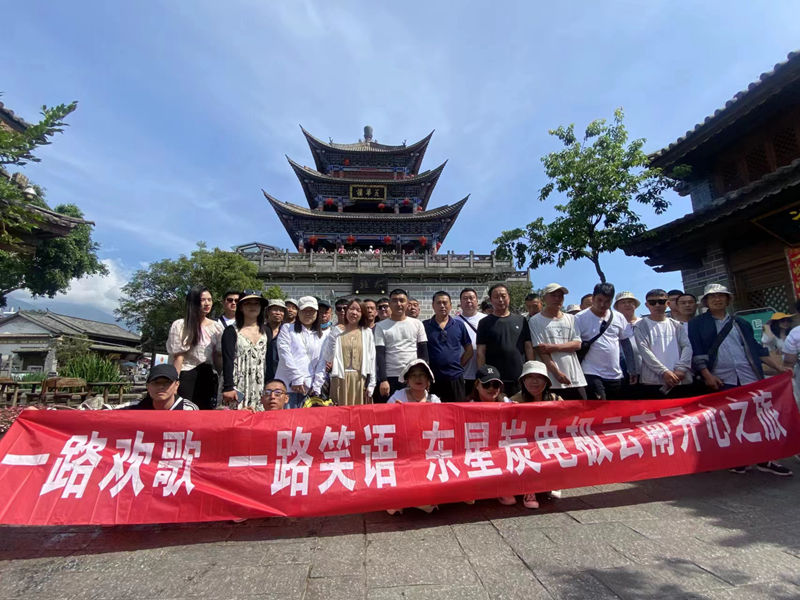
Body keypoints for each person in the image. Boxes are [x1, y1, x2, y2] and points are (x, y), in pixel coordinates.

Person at [688, 283, 791, 476]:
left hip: (748, 375)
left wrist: (779, 369)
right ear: (706, 302)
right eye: (712, 297)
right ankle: (739, 459)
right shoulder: (697, 324)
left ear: (728, 299)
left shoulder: (741, 322)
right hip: (721, 378)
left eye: (721, 295)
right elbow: (697, 352)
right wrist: (707, 375)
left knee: (759, 417)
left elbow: (756, 349)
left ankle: (766, 459)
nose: (717, 299)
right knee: (731, 421)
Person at [508, 360, 563, 508]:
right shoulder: (513, 401)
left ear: (546, 381)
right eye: (530, 377)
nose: (534, 381)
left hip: (547, 442)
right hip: (523, 444)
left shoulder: (555, 399)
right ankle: (529, 489)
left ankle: (553, 481)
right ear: (523, 381)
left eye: (539, 377)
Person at [574, 283, 636, 400]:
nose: (603, 304)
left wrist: (632, 369)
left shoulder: (619, 317)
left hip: (615, 374)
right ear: (593, 298)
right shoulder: (579, 318)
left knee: (614, 408)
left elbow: (626, 343)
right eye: (599, 300)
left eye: (607, 301)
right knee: (598, 406)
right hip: (591, 372)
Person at [167, 285, 224, 410]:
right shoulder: (180, 325)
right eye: (202, 300)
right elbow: (178, 357)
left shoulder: (216, 327)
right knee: (185, 411)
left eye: (209, 300)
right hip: (186, 374)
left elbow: (218, 356)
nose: (207, 303)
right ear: (193, 302)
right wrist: (174, 383)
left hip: (207, 375)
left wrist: (223, 379)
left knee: (204, 413)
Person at [529, 283, 587, 400]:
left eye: (560, 296)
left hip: (574, 377)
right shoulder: (535, 321)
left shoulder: (571, 319)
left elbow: (577, 344)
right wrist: (557, 373)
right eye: (553, 295)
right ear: (544, 298)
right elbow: (541, 350)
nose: (557, 299)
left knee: (581, 408)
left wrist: (554, 347)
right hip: (550, 379)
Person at [476, 283, 533, 396]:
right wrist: (482, 376)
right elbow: (480, 352)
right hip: (494, 380)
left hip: (519, 377)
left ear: (509, 297)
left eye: (503, 296)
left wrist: (531, 370)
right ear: (491, 300)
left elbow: (528, 347)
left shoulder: (521, 320)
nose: (500, 300)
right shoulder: (484, 323)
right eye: (496, 297)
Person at [634, 289, 693, 398]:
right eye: (652, 302)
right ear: (647, 305)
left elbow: (687, 347)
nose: (657, 305)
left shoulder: (677, 325)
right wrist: (664, 372)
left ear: (668, 303)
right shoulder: (640, 326)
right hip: (653, 382)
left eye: (661, 302)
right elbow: (644, 351)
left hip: (680, 379)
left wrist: (681, 368)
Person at [319, 298, 376, 405]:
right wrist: (334, 335)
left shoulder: (367, 332)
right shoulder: (337, 331)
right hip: (340, 379)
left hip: (359, 381)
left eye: (358, 310)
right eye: (351, 309)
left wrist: (372, 383)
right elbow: (328, 357)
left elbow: (372, 358)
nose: (354, 313)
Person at [375, 288, 428, 401]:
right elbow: (380, 354)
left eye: (402, 300)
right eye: (394, 301)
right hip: (391, 376)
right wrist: (383, 380)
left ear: (407, 304)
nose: (398, 304)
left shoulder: (417, 324)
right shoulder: (380, 326)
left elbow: (423, 353)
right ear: (390, 304)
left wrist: (425, 377)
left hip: (412, 375)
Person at [220, 291, 270, 410]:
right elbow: (227, 360)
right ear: (241, 307)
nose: (253, 306)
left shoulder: (267, 331)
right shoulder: (231, 331)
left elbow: (268, 361)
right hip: (236, 383)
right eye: (248, 303)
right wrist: (228, 387)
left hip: (259, 384)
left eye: (256, 303)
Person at [275, 296, 326, 408]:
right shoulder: (287, 328)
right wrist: (296, 378)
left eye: (311, 310)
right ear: (298, 312)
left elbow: (322, 362)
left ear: (317, 313)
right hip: (288, 387)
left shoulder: (321, 336)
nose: (308, 313)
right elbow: (285, 355)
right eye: (304, 310)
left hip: (309, 389)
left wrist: (317, 386)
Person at [423, 291, 473, 402]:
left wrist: (459, 364)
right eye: (438, 303)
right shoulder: (425, 326)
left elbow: (469, 350)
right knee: (433, 411)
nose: (442, 306)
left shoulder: (459, 325)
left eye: (445, 303)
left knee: (457, 410)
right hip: (432, 378)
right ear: (433, 305)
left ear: (450, 305)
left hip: (455, 377)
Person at [125, 364, 198, 410]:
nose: (161, 386)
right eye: (156, 383)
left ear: (176, 385)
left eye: (167, 383)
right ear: (148, 386)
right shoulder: (134, 407)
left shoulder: (188, 410)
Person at [458, 288, 486, 395]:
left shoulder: (486, 320)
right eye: (465, 298)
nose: (468, 301)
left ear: (477, 301)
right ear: (460, 302)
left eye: (471, 298)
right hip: (462, 374)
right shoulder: (454, 322)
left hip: (483, 374)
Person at [614, 291, 643, 397]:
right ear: (617, 307)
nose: (627, 305)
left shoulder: (644, 323)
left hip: (645, 371)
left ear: (635, 305)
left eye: (630, 302)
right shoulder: (613, 325)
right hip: (622, 372)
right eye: (623, 302)